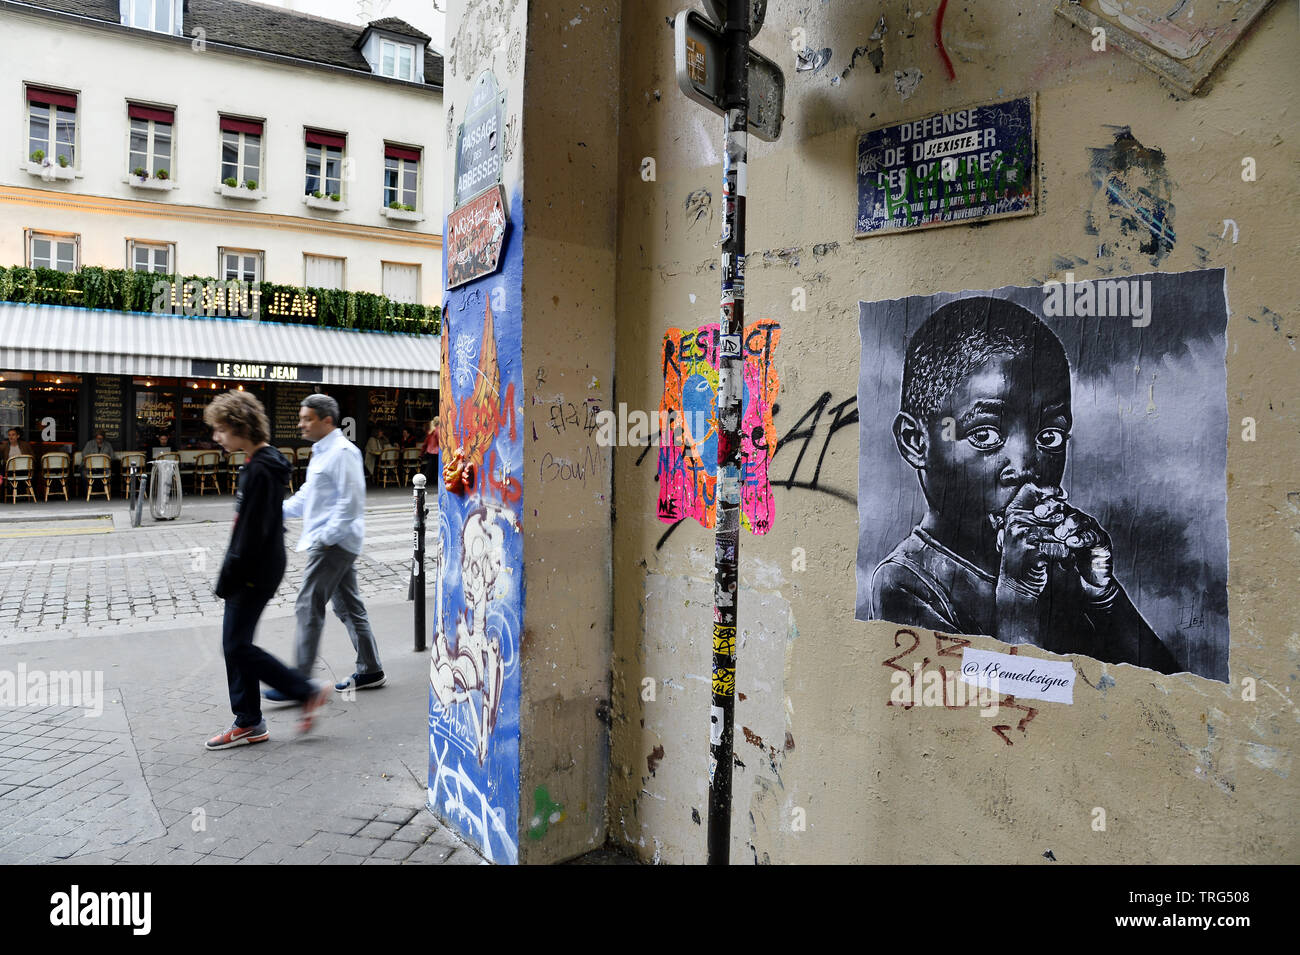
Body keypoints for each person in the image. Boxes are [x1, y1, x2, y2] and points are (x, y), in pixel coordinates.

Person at [869, 296, 1178, 673]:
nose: (1028, 466)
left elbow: (1165, 685)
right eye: (984, 434)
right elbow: (1010, 717)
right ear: (917, 442)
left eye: (1049, 436)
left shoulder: (1059, 564)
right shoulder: (906, 583)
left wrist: (1103, 594)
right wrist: (1019, 595)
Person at [202, 391, 330, 750]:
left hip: (253, 569)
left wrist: (228, 577)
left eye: (222, 429)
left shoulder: (258, 469)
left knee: (236, 645)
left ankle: (300, 692)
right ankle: (250, 720)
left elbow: (248, 535)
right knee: (236, 644)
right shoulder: (267, 462)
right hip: (265, 565)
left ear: (240, 428)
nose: (217, 437)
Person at [265, 393, 386, 699]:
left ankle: (299, 684)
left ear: (327, 420)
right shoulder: (322, 452)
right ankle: (371, 668)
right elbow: (307, 496)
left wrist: (325, 538)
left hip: (334, 544)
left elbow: (351, 502)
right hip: (334, 542)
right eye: (301, 418)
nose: (301, 424)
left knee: (307, 605)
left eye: (307, 419)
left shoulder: (343, 452)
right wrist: (272, 510)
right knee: (348, 606)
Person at [420, 417, 440, 483]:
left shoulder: (431, 431)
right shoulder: (438, 430)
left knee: (430, 467)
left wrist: (421, 453)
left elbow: (425, 443)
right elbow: (440, 442)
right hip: (436, 452)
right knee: (431, 468)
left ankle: (424, 481)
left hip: (430, 452)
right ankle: (423, 481)